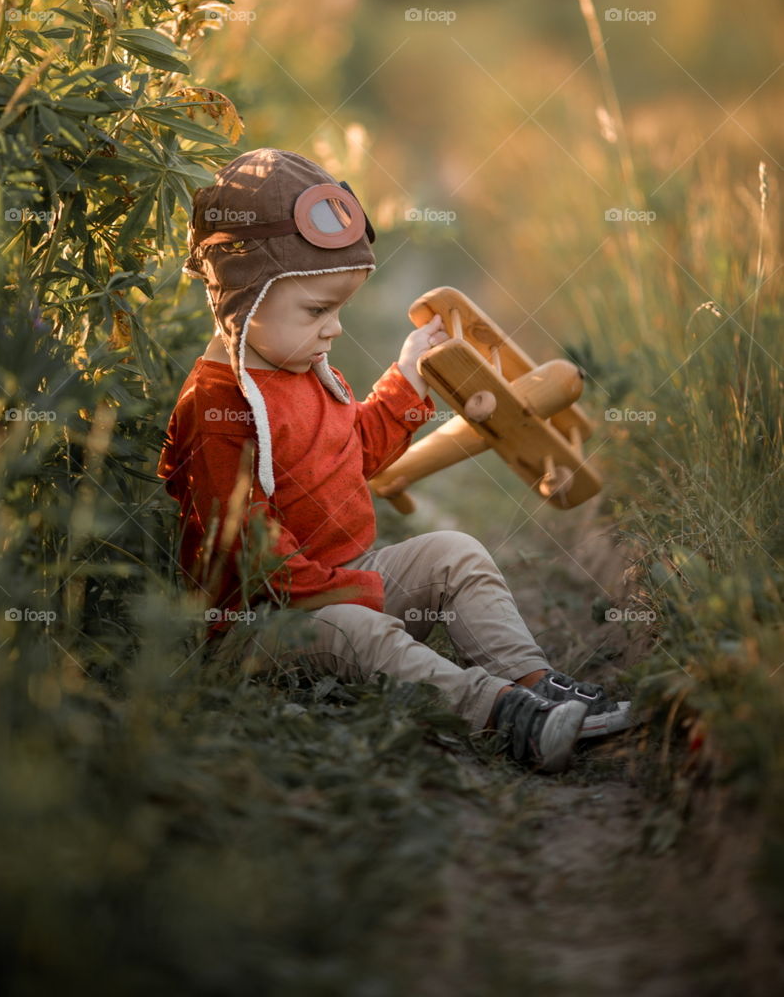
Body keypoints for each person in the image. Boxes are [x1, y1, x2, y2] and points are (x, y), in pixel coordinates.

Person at [157, 148, 631, 773]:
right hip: (264, 626)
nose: (334, 330)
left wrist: (408, 377)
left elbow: (355, 455)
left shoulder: (300, 367)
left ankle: (535, 683)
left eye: (340, 310)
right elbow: (251, 554)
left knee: (453, 553)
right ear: (244, 296)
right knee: (359, 632)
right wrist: (360, 595)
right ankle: (501, 714)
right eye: (316, 310)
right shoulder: (220, 410)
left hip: (342, 584)